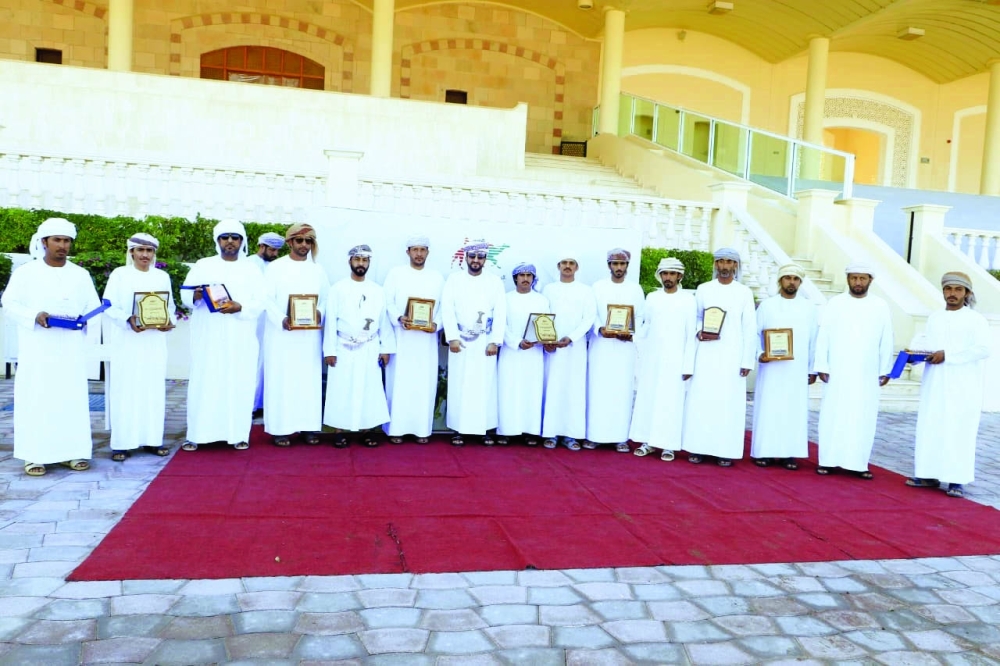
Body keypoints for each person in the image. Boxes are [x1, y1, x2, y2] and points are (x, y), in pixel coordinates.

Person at [2, 218, 101, 476]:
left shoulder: (80, 275)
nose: (62, 245)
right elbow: (9, 303)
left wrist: (85, 322)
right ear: (44, 242)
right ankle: (35, 455)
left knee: (71, 398)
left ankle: (73, 452)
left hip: (71, 349)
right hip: (38, 349)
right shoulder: (26, 272)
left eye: (67, 241)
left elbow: (93, 307)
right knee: (38, 397)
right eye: (57, 240)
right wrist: (34, 315)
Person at [180, 220, 265, 451]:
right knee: (205, 381)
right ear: (217, 240)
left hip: (240, 337)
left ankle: (237, 434)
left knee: (239, 382)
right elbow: (185, 294)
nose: (230, 241)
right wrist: (197, 296)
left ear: (242, 241)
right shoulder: (203, 265)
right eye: (225, 237)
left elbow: (261, 301)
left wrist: (240, 307)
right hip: (208, 336)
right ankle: (198, 434)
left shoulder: (251, 269)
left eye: (235, 237)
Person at [907, 272, 990, 498]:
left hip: (963, 386)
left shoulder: (976, 320)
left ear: (967, 293)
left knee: (958, 430)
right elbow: (927, 344)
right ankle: (927, 475)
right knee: (931, 426)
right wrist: (915, 355)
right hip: (934, 383)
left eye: (957, 289)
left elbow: (983, 349)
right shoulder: (935, 318)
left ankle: (956, 480)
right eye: (948, 289)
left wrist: (948, 355)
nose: (952, 293)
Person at [814, 263, 894, 478]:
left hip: (867, 372)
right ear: (848, 279)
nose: (858, 282)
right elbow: (824, 335)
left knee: (863, 416)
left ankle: (858, 464)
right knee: (833, 415)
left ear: (870, 280)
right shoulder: (835, 303)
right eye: (854, 278)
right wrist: (821, 364)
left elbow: (886, 338)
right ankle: (827, 461)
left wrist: (885, 369)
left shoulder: (880, 305)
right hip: (837, 370)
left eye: (862, 278)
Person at [103, 233, 176, 461]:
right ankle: (121, 444)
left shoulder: (162, 277)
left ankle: (153, 440)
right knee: (125, 390)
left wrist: (168, 322)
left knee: (152, 390)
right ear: (131, 252)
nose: (145, 255)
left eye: (149, 250)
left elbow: (170, 306)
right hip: (127, 342)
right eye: (140, 250)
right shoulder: (120, 275)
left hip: (154, 343)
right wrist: (127, 319)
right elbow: (108, 306)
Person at [681, 248, 757, 467]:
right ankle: (697, 448)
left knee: (728, 404)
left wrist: (746, 360)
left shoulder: (744, 292)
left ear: (736, 266)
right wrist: (700, 331)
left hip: (732, 356)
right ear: (715, 265)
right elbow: (696, 317)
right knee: (702, 401)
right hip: (706, 354)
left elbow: (749, 327)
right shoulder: (704, 289)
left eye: (729, 262)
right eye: (721, 262)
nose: (725, 266)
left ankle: (726, 451)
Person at [262, 224, 328, 446]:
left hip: (309, 338)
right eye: (299, 240)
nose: (304, 245)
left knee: (308, 381)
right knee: (282, 380)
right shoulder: (275, 268)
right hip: (282, 337)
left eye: (308, 241)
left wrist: (320, 312)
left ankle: (308, 427)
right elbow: (266, 299)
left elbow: (326, 299)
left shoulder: (318, 270)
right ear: (290, 242)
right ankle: (280, 429)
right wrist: (282, 318)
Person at [323, 244, 395, 446]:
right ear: (350, 261)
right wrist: (329, 350)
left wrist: (386, 349)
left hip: (369, 346)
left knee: (369, 388)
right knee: (341, 388)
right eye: (357, 259)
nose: (361, 264)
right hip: (342, 346)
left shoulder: (377, 290)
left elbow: (384, 321)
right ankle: (339, 430)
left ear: (369, 263)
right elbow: (330, 322)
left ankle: (368, 429)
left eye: (365, 260)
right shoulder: (337, 289)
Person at [750, 264, 818, 470]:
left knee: (793, 410)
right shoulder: (767, 306)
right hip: (771, 368)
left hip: (796, 370)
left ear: (800, 282)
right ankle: (765, 452)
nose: (791, 282)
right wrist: (760, 354)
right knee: (768, 408)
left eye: (795, 279)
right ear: (780, 281)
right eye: (788, 278)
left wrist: (812, 369)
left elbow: (813, 340)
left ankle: (789, 454)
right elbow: (755, 333)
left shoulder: (809, 308)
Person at [440, 241, 507, 446]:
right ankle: (458, 429)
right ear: (466, 258)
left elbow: (501, 312)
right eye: (472, 256)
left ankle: (484, 429)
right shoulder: (454, 279)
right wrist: (452, 337)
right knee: (459, 384)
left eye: (480, 257)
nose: (476, 260)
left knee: (485, 385)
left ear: (485, 259)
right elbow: (447, 309)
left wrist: (495, 341)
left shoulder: (495, 281)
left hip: (485, 342)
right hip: (460, 341)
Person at [629, 257, 695, 462]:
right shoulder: (652, 298)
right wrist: (631, 335)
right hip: (652, 358)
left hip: (676, 360)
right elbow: (646, 326)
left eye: (672, 274)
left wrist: (688, 365)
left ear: (679, 276)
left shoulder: (688, 300)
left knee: (670, 402)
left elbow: (691, 334)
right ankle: (646, 441)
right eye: (665, 273)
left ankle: (669, 445)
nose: (668, 277)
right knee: (649, 399)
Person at [383, 235, 445, 444]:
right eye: (415, 250)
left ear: (428, 252)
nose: (419, 254)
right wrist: (399, 318)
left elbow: (444, 307)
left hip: (426, 344)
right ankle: (396, 429)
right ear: (408, 252)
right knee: (399, 384)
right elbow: (387, 302)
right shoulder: (396, 274)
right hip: (402, 340)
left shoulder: (437, 277)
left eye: (422, 250)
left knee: (423, 385)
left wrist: (437, 324)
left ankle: (421, 431)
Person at [586, 248, 645, 452]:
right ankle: (594, 435)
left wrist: (631, 333)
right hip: (601, 346)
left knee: (621, 391)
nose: (619, 267)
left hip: (624, 348)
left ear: (627, 266)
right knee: (598, 389)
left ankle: (620, 437)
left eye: (622, 264)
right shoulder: (597, 287)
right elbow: (591, 313)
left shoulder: (635, 289)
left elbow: (641, 317)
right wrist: (600, 328)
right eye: (615, 263)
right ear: (609, 265)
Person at [541, 255, 595, 450]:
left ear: (577, 267)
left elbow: (589, 318)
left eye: (571, 263)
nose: (567, 266)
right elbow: (542, 316)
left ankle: (572, 435)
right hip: (553, 348)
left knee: (574, 389)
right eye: (564, 263)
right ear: (558, 266)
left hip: (575, 348)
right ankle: (551, 433)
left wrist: (571, 337)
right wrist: (546, 340)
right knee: (553, 387)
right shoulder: (549, 289)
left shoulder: (586, 291)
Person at [497, 263, 549, 446]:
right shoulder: (505, 299)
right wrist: (517, 342)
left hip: (534, 353)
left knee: (531, 390)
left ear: (533, 278)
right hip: (511, 352)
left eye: (529, 275)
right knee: (508, 390)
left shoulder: (542, 300)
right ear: (515, 278)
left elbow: (546, 324)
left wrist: (540, 340)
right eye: (522, 275)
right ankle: (506, 431)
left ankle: (531, 431)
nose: (525, 279)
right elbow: (500, 325)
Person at [249, 231, 284, 414]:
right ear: (261, 246)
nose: (275, 254)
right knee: (253, 361)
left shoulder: (277, 267)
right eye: (272, 250)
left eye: (277, 250)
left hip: (271, 320)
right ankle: (251, 404)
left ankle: (264, 404)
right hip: (252, 320)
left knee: (268, 361)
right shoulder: (248, 264)